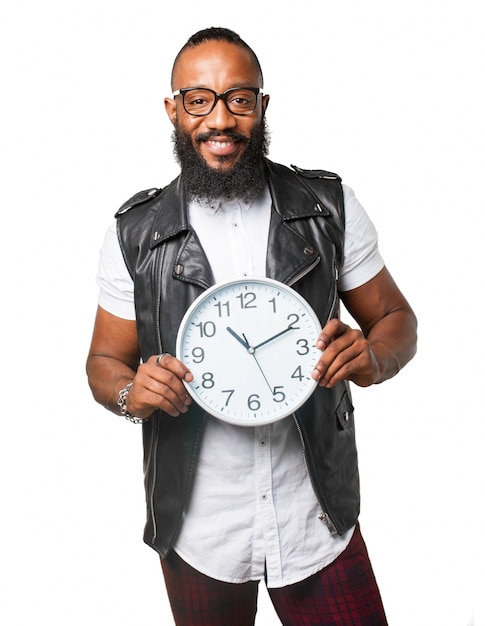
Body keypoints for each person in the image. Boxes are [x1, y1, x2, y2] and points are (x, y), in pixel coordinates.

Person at [86, 26, 417, 626]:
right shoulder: (135, 233)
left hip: (315, 513)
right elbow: (103, 364)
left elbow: (396, 319)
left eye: (239, 98)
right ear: (173, 109)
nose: (220, 119)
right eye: (199, 99)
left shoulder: (327, 207)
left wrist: (372, 357)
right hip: (200, 524)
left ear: (261, 106)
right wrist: (133, 392)